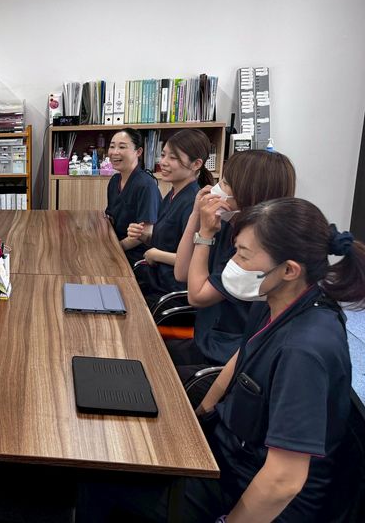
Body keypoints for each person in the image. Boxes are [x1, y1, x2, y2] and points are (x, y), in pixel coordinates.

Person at [78, 197, 363, 522]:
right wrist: (199, 416)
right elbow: (241, 358)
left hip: (249, 493)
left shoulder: (305, 350)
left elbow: (283, 481)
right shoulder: (276, 301)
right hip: (228, 453)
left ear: (289, 269)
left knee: (98, 477)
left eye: (243, 255)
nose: (233, 263)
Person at [170, 150, 295, 376]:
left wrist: (205, 234)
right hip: (205, 339)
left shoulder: (257, 246)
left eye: (225, 183)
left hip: (226, 358)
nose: (216, 188)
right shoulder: (227, 224)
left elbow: (197, 296)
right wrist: (195, 215)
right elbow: (181, 272)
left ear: (250, 193)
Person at [126, 129, 213, 303]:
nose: (163, 162)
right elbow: (169, 241)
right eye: (163, 155)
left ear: (196, 164)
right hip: (155, 280)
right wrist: (144, 236)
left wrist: (156, 254)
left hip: (170, 292)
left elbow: (194, 260)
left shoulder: (193, 204)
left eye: (173, 158)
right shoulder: (173, 194)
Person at [105, 128, 160, 266]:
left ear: (138, 152)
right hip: (116, 245)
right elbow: (111, 217)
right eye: (112, 146)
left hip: (136, 256)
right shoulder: (114, 181)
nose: (114, 152)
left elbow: (145, 233)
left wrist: (114, 249)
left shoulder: (146, 185)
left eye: (122, 147)